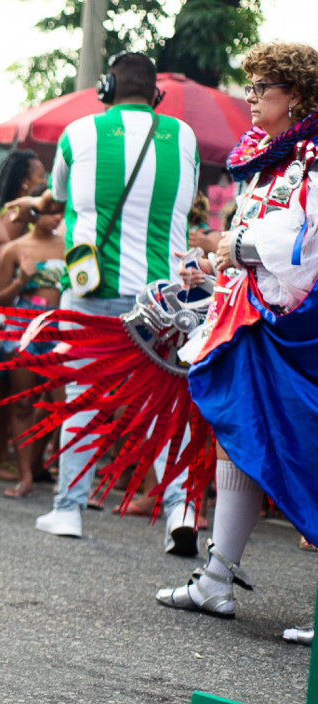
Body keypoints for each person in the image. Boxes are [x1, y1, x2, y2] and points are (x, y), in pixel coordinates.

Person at [6, 51, 199, 551]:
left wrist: (36, 205)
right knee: (163, 404)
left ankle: (68, 510)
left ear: (106, 89)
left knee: (84, 400)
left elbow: (58, 195)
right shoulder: (184, 137)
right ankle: (180, 508)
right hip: (162, 297)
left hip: (93, 292)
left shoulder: (79, 133)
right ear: (156, 94)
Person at [155, 43, 318, 633]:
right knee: (239, 439)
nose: (250, 97)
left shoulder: (313, 157)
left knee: (306, 449)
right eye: (249, 86)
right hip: (257, 319)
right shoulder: (275, 157)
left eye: (261, 87)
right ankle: (217, 580)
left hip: (297, 331)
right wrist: (214, 267)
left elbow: (305, 246)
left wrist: (236, 247)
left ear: (295, 95)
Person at [0, 196, 66, 498]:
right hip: (23, 325)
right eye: (49, 211)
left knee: (65, 404)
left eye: (59, 212)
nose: (55, 217)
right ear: (34, 212)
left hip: (60, 325)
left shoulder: (69, 245)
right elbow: (0, 300)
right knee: (23, 403)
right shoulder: (15, 249)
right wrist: (21, 279)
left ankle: (49, 467)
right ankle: (25, 477)